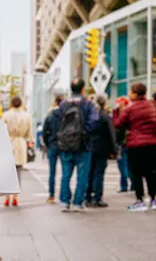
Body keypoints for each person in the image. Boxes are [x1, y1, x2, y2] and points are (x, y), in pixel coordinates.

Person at [114, 83, 156, 211]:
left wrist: (117, 111)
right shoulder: (153, 106)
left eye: (131, 92)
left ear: (135, 93)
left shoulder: (130, 109)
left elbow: (118, 123)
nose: (130, 94)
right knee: (151, 172)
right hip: (153, 143)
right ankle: (153, 199)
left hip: (136, 144)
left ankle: (140, 200)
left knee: (136, 173)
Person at [57, 79, 99, 212]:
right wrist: (85, 132)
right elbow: (95, 122)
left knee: (65, 175)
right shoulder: (88, 103)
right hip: (83, 145)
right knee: (82, 175)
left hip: (66, 144)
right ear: (83, 89)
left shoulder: (63, 104)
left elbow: (59, 121)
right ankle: (77, 202)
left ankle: (64, 200)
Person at [85, 94, 117, 208]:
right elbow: (110, 134)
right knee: (99, 173)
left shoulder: (89, 116)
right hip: (102, 148)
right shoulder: (105, 116)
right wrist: (114, 150)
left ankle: (87, 196)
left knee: (89, 172)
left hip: (89, 147)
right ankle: (97, 197)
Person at [2, 96, 33, 207]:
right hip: (20, 144)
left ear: (11, 104)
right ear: (21, 104)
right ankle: (15, 196)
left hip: (8, 143)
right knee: (18, 171)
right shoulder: (27, 116)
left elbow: (1, 130)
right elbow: (29, 133)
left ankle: (6, 197)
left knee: (7, 172)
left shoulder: (6, 115)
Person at [42, 93, 64, 203]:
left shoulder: (50, 116)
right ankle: (64, 196)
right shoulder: (67, 115)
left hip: (52, 145)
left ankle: (51, 195)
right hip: (65, 145)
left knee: (52, 172)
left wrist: (48, 143)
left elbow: (44, 132)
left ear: (55, 102)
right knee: (66, 172)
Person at [113, 96, 132, 193]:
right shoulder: (117, 113)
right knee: (122, 163)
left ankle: (129, 183)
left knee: (127, 163)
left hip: (126, 141)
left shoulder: (127, 114)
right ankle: (124, 185)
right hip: (121, 141)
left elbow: (116, 124)